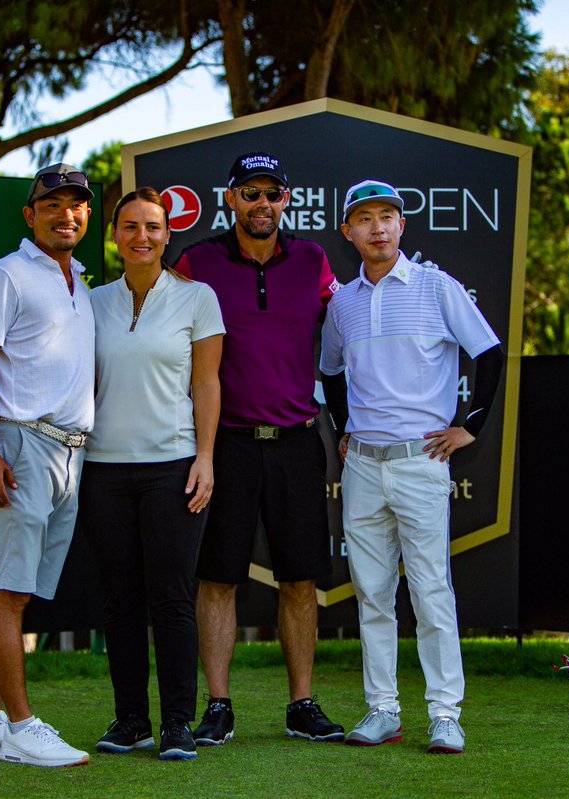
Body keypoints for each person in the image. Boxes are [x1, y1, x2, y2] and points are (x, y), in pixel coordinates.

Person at [319, 179, 505, 755]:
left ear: (402, 226)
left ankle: (445, 714)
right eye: (365, 218)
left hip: (421, 462)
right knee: (372, 595)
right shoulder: (343, 302)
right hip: (365, 467)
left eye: (388, 217)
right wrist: (345, 427)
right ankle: (382, 711)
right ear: (348, 232)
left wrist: (468, 427)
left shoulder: (436, 286)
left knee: (430, 593)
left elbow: (490, 352)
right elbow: (329, 371)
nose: (378, 227)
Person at [174, 151, 345, 745]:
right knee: (218, 578)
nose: (262, 204)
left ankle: (301, 704)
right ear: (231, 200)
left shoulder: (313, 260)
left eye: (272, 193)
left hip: (298, 442)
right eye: (250, 193)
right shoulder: (196, 262)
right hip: (225, 446)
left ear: (285, 201)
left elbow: (348, 336)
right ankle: (218, 705)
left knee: (300, 579)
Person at [0, 163, 96, 769]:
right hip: (19, 444)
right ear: (30, 215)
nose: (67, 214)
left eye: (78, 205)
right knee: (9, 593)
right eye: (54, 205)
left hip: (68, 450)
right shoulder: (6, 274)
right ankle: (19, 726)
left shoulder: (81, 282)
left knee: (16, 593)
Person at [80, 187, 224, 762]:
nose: (142, 236)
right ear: (114, 236)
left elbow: (207, 384)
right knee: (120, 602)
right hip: (103, 470)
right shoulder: (89, 302)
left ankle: (178, 724)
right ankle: (131, 720)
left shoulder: (198, 299)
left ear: (169, 235)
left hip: (174, 468)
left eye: (154, 227)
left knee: (171, 599)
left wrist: (206, 457)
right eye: (131, 226)